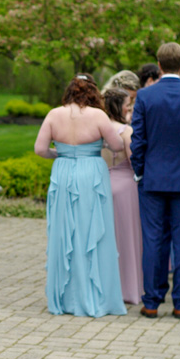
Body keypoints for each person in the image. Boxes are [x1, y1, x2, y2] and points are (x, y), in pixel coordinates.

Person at [131, 43, 180, 319]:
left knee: (153, 239)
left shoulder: (145, 96)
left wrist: (139, 171)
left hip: (152, 178)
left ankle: (152, 301)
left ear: (158, 62)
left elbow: (138, 140)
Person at [35, 74, 126, 317]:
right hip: (91, 174)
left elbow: (40, 149)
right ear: (94, 93)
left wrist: (61, 154)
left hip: (63, 173)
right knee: (92, 232)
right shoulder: (98, 116)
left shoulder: (55, 114)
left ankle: (65, 298)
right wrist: (98, 146)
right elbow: (117, 146)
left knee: (65, 232)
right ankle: (94, 294)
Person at [101, 88, 143, 306]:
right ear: (119, 106)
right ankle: (128, 288)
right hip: (126, 187)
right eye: (128, 103)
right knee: (127, 238)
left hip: (102, 184)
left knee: (106, 237)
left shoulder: (98, 130)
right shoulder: (126, 132)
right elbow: (135, 161)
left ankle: (106, 287)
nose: (130, 107)